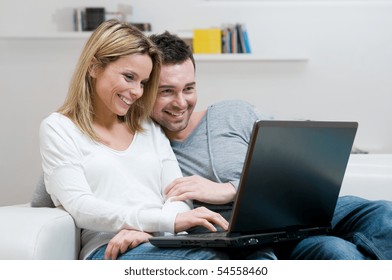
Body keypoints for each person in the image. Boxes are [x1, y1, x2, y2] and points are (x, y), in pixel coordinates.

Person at [110, 31, 392, 260]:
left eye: (189, 89)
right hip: (236, 241)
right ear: (144, 91)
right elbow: (134, 203)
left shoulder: (233, 113)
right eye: (166, 92)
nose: (181, 103)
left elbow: (293, 154)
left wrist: (230, 189)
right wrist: (140, 230)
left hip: (291, 217)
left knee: (381, 212)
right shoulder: (144, 144)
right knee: (338, 251)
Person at [39, 19, 231, 260]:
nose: (137, 92)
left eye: (142, 82)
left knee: (251, 256)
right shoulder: (59, 128)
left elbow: (178, 194)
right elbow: (81, 207)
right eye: (129, 77)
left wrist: (151, 230)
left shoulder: (148, 128)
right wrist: (163, 222)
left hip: (162, 240)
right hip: (110, 247)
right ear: (94, 67)